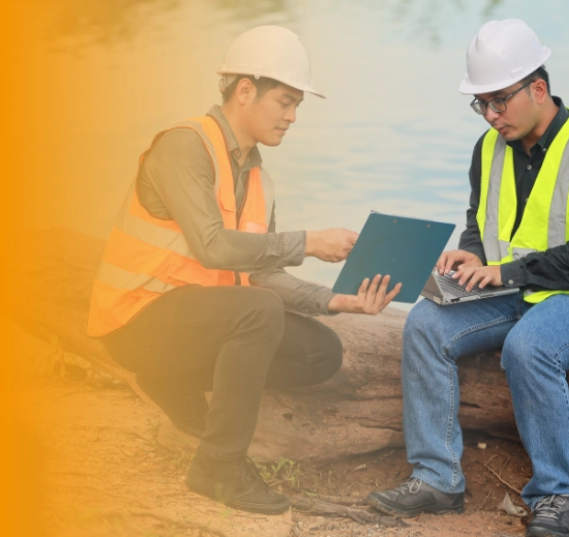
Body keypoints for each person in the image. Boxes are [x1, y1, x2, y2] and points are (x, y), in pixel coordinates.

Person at [87, 25, 401, 515]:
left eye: (298, 105)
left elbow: (262, 275)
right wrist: (310, 243)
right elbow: (213, 249)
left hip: (194, 325)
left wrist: (337, 302)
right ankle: (218, 466)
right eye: (285, 101)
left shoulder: (258, 177)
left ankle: (173, 379)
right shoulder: (184, 146)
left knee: (319, 350)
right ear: (245, 90)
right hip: (135, 320)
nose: (293, 116)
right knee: (257, 312)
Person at [367, 18, 569, 537]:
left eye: (499, 101)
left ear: (538, 89)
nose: (491, 116)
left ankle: (555, 495)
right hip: (511, 285)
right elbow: (480, 219)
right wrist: (470, 257)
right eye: (482, 105)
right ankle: (437, 478)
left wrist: (505, 271)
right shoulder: (489, 147)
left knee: (528, 346)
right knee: (425, 324)